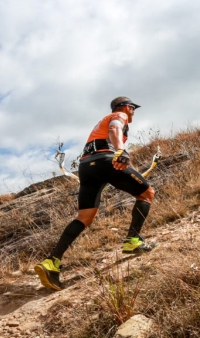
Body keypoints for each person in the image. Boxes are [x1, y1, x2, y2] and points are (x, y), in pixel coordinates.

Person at [35, 96, 157, 290]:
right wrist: (121, 151)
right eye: (133, 108)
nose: (133, 112)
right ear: (127, 106)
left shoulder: (100, 125)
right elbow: (115, 129)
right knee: (146, 193)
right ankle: (133, 240)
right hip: (106, 161)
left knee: (84, 217)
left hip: (86, 166)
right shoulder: (119, 115)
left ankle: (52, 262)